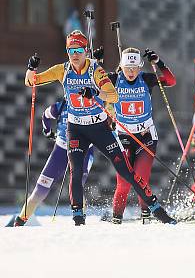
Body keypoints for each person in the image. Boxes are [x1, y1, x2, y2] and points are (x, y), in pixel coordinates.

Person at [24, 30, 175, 225]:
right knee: (76, 171)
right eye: (71, 50)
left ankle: (158, 211)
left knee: (126, 171)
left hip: (99, 127)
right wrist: (31, 68)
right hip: (76, 128)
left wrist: (95, 93)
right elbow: (31, 81)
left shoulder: (96, 69)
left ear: (86, 51)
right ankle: (78, 219)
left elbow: (113, 96)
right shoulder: (62, 69)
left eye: (79, 49)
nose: (75, 54)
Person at [108, 47, 176, 224]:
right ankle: (116, 220)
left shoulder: (146, 78)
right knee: (123, 183)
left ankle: (146, 216)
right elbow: (93, 83)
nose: (131, 72)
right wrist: (97, 64)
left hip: (146, 136)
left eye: (134, 68)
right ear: (121, 67)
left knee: (141, 179)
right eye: (127, 67)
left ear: (139, 67)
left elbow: (171, 80)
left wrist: (158, 62)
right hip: (123, 137)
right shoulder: (114, 79)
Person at [6, 100, 94, 226]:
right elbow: (46, 116)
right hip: (61, 151)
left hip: (83, 152)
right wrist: (47, 131)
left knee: (77, 187)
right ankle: (19, 222)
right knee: (40, 190)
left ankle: (80, 221)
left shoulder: (91, 104)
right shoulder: (60, 106)